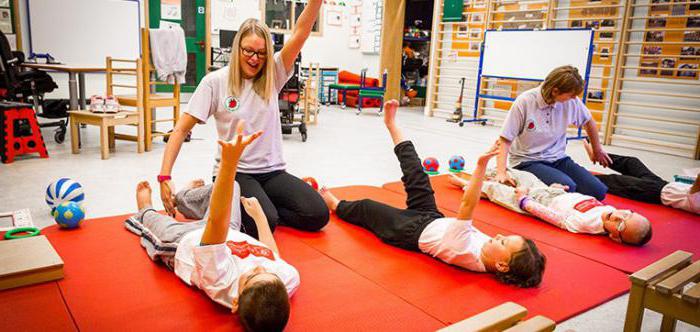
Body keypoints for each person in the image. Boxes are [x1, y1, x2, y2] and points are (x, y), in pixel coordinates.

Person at [319, 100, 546, 288]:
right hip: (431, 216)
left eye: (504, 242)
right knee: (416, 170)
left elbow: (468, 205)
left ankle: (336, 205)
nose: (497, 236)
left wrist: (480, 166)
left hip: (409, 232)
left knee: (367, 207)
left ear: (502, 266)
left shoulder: (466, 251)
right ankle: (391, 125)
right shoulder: (492, 253)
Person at [158, 3, 329, 239]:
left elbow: (301, 31)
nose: (254, 58)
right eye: (248, 50)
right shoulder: (215, 82)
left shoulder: (274, 73)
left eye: (261, 53)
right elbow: (180, 130)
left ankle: (239, 206)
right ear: (237, 47)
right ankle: (200, 196)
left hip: (273, 172)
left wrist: (316, 2)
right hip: (234, 175)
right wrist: (164, 177)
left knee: (317, 215)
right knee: (264, 223)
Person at [127, 123, 300, 332]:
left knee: (153, 221)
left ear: (235, 303)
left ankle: (144, 210)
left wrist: (229, 164)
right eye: (267, 273)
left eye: (252, 277)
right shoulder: (287, 280)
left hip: (183, 241)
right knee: (235, 187)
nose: (259, 268)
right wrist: (259, 217)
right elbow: (272, 256)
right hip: (232, 231)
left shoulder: (221, 281)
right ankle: (183, 198)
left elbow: (216, 222)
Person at [448, 168, 653, 246]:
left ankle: (466, 184)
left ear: (614, 236)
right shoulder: (607, 211)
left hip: (536, 202)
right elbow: (579, 199)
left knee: (496, 192)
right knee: (524, 175)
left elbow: (553, 217)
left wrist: (524, 201)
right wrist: (560, 190)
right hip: (552, 192)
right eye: (628, 213)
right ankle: (494, 173)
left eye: (621, 225)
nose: (620, 216)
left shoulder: (584, 224)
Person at [496, 65, 610, 201]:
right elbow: (505, 139)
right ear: (555, 91)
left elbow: (589, 121)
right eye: (571, 95)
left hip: (557, 158)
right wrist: (501, 172)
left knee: (598, 191)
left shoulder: (572, 102)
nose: (574, 99)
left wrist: (597, 149)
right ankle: (525, 183)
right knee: (567, 187)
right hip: (527, 161)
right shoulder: (525, 101)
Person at [582, 141, 700, 214]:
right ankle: (597, 155)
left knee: (613, 180)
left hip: (652, 192)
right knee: (632, 162)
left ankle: (579, 178)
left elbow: (695, 189)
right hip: (662, 184)